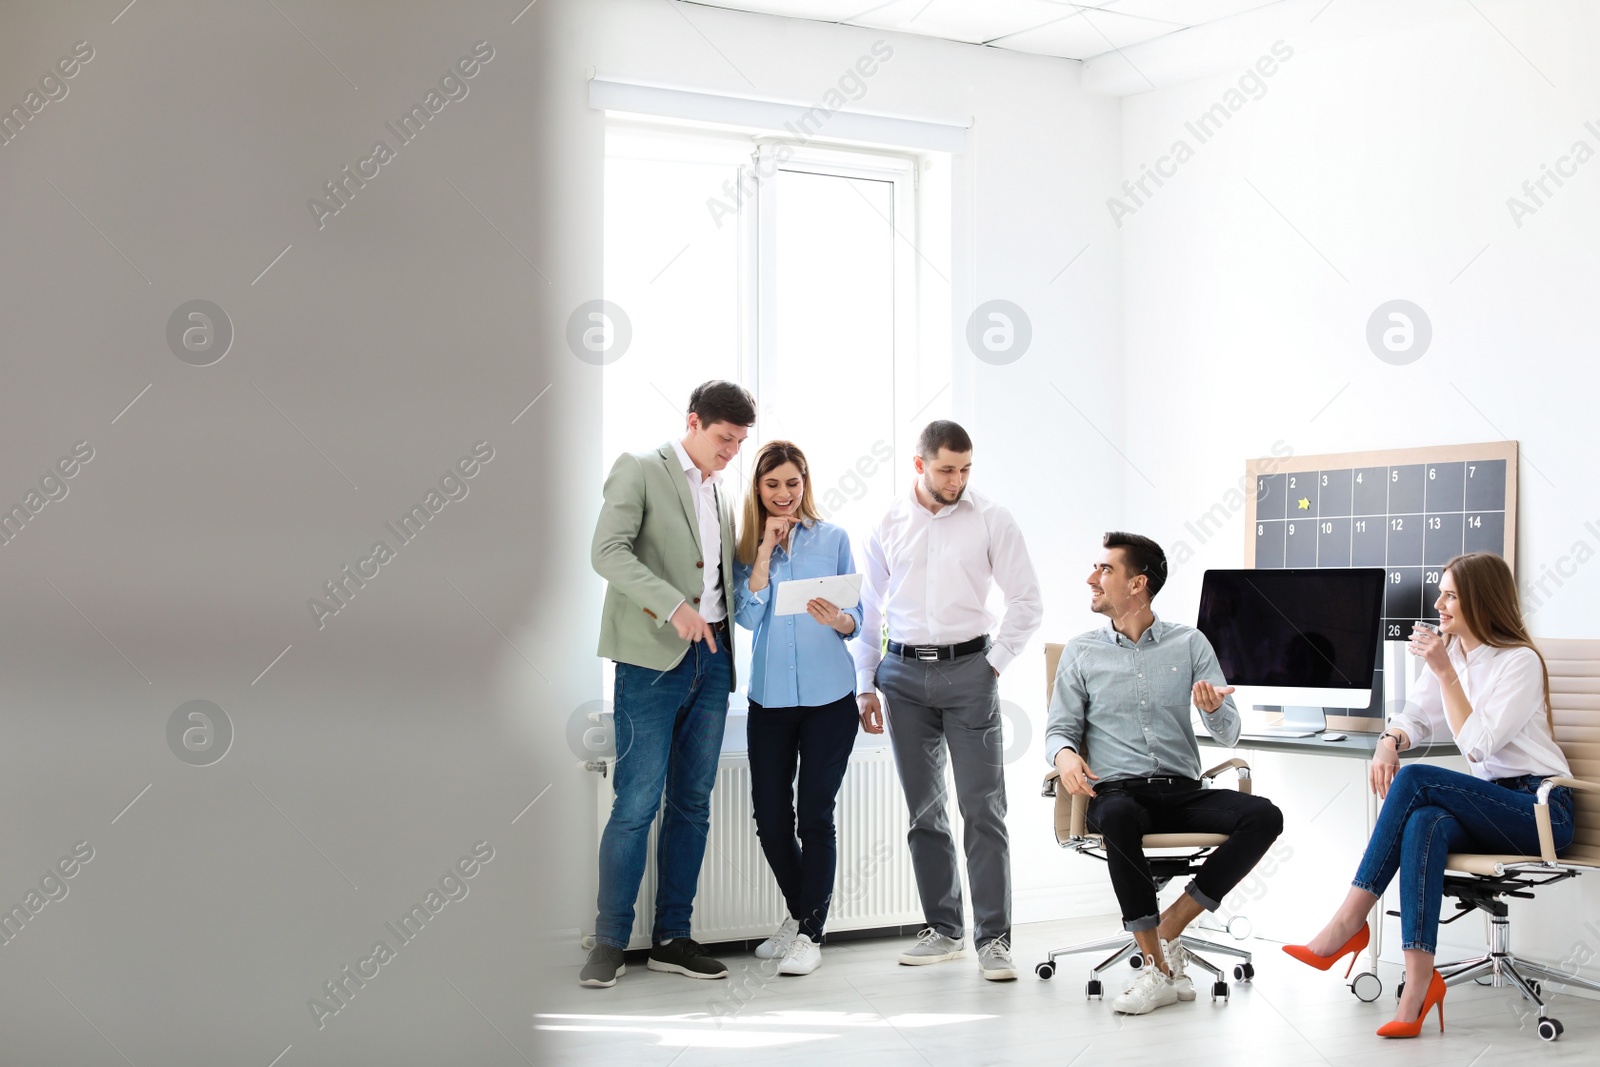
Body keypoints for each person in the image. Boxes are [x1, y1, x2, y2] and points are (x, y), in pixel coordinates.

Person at [1285, 552, 1574, 1038]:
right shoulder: (1455, 654)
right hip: (1490, 802)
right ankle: (1418, 989)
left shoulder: (1518, 662)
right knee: (1424, 823)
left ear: (1480, 601)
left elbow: (1478, 745)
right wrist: (1388, 740)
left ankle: (1349, 920)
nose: (1438, 603)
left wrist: (1445, 672)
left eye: (1451, 595)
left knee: (1417, 780)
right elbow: (1416, 716)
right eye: (1441, 592)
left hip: (1541, 808)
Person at [1045, 532, 1284, 1016]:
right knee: (1118, 817)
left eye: (1105, 570)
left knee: (1265, 816)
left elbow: (1230, 731)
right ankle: (1155, 968)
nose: (1092, 578)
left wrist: (1214, 710)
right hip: (1116, 793)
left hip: (1182, 790)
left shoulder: (1189, 642)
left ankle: (1171, 924)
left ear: (1138, 584)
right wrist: (1064, 756)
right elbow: (1059, 729)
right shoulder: (1082, 651)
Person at [579, 380, 756, 988]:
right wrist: (671, 605)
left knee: (693, 806)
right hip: (650, 663)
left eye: (739, 443)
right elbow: (607, 551)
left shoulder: (721, 490)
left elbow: (722, 576)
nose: (731, 452)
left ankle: (672, 938)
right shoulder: (639, 469)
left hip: (712, 664)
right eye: (723, 439)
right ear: (694, 422)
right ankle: (607, 942)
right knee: (635, 804)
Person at [854, 420, 1042, 981]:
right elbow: (867, 611)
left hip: (970, 672)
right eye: (945, 470)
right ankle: (944, 929)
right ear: (919, 465)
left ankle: (995, 940)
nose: (956, 480)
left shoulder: (992, 518)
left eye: (964, 469)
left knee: (984, 809)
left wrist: (992, 666)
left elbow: (1027, 601)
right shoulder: (887, 522)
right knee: (924, 811)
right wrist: (866, 682)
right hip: (903, 677)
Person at [731, 441, 865, 977]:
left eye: (793, 482)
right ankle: (800, 913)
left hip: (830, 699)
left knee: (814, 814)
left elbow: (857, 615)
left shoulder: (833, 538)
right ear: (758, 490)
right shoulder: (744, 546)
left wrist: (840, 620)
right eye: (772, 484)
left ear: (805, 483)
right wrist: (763, 552)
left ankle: (809, 931)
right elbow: (744, 617)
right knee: (769, 817)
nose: (784, 494)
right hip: (770, 701)